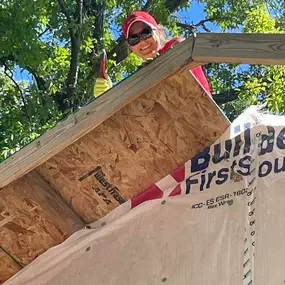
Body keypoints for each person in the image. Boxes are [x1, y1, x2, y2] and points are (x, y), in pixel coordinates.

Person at [94, 11, 211, 97]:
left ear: (159, 31)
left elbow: (180, 49)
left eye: (146, 33)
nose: (142, 41)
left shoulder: (175, 45)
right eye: (134, 39)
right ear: (131, 47)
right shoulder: (143, 77)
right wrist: (109, 96)